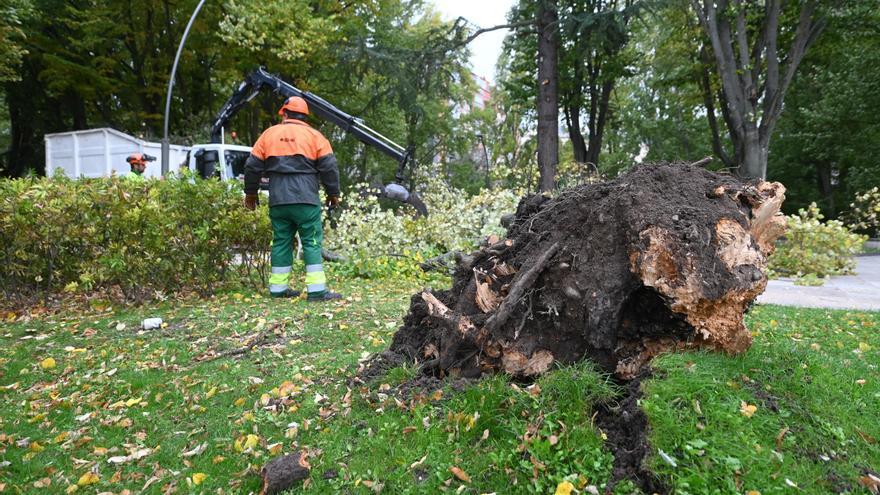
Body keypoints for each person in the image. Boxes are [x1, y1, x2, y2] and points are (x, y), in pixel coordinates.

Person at [243, 96, 342, 301]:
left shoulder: (269, 134)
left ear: (284, 114)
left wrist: (251, 193)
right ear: (305, 117)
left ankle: (278, 290)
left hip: (278, 199)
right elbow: (329, 167)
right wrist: (333, 193)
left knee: (281, 241)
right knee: (311, 242)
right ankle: (316, 291)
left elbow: (252, 166)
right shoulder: (315, 136)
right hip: (306, 198)